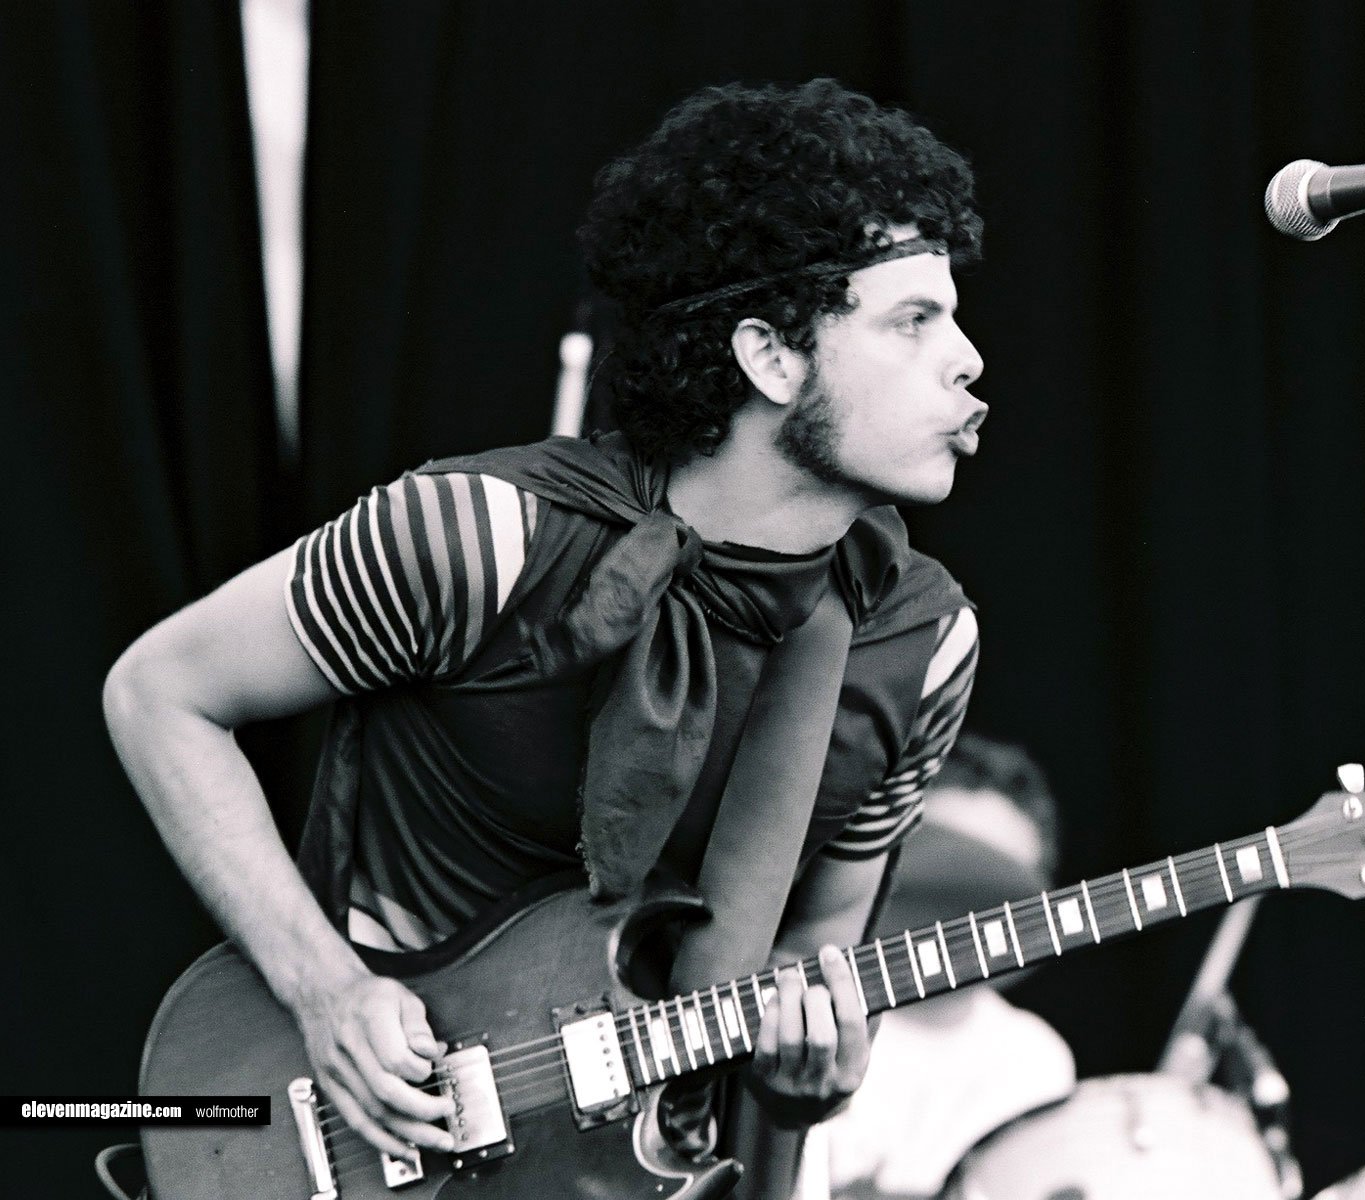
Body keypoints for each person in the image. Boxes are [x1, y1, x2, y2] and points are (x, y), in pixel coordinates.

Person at [103, 78, 987, 1197]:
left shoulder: (921, 647)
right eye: (914, 320)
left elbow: (813, 962)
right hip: (352, 1136)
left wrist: (812, 1077)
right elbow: (159, 693)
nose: (969, 357)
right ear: (771, 356)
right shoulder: (484, 534)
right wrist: (326, 989)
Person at [818, 733, 1077, 1200]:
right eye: (942, 872)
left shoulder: (1035, 1060)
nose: (963, 920)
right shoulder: (813, 1018)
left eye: (996, 895)